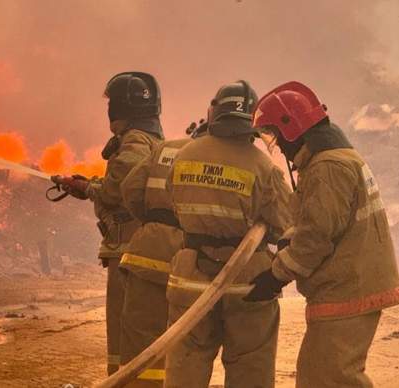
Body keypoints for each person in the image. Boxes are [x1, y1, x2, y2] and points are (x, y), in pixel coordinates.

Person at [248, 81, 399, 388]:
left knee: (329, 379)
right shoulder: (336, 160)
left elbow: (316, 236)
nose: (276, 145)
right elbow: (323, 222)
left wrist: (276, 276)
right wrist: (288, 239)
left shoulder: (327, 167)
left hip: (347, 288)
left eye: (275, 135)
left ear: (291, 128)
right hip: (351, 284)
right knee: (324, 375)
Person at [164, 80, 292, 388]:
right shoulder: (264, 165)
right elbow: (286, 222)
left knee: (186, 364)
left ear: (214, 112)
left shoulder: (184, 155)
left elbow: (173, 201)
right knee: (251, 367)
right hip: (247, 282)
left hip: (191, 275)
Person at [54, 72, 163, 375]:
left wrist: (88, 188)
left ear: (120, 108)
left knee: (123, 333)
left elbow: (118, 189)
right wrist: (85, 185)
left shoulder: (135, 141)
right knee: (135, 332)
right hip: (134, 248)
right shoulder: (149, 139)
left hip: (127, 251)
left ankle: (119, 382)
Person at [117, 119, 208, 386]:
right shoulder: (222, 159)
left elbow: (129, 189)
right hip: (190, 259)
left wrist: (153, 222)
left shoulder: (164, 149)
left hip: (146, 252)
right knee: (185, 343)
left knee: (140, 339)